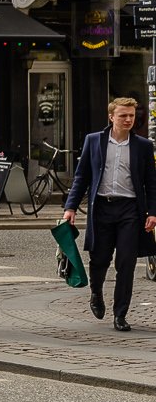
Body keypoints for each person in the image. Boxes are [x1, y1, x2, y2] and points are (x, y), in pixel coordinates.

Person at [62, 96, 156, 331]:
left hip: (130, 210)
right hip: (102, 207)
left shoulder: (143, 146)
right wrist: (70, 208)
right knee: (100, 258)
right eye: (123, 115)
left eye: (132, 116)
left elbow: (151, 182)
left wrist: (153, 212)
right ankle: (96, 293)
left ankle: (120, 314)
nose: (128, 119)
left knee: (126, 262)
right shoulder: (94, 141)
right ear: (111, 116)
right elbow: (81, 176)